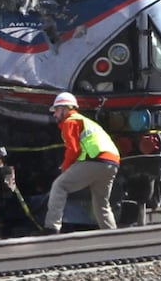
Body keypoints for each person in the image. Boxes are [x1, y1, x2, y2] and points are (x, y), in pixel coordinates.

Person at [43, 91, 120, 233]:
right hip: (112, 163)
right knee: (101, 203)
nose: (54, 114)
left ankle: (51, 228)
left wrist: (65, 168)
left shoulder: (70, 121)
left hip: (96, 160)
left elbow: (73, 150)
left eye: (57, 110)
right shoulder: (86, 121)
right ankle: (113, 235)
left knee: (59, 186)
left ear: (66, 108)